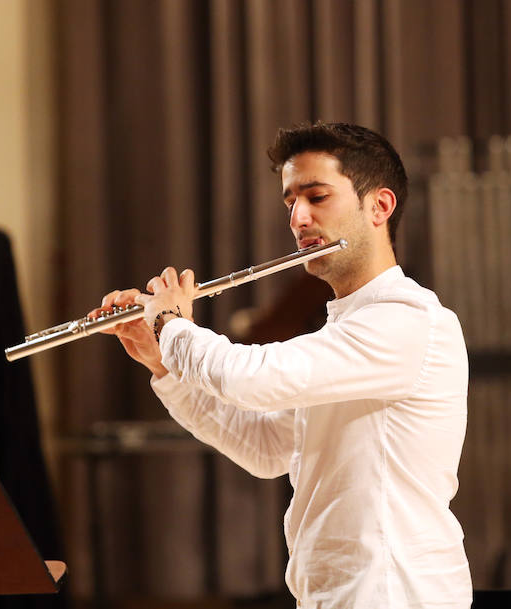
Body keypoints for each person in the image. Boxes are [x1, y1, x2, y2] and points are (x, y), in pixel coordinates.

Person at [92, 122, 472, 608]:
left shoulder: (407, 320)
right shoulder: (344, 330)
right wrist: (161, 360)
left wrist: (170, 322)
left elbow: (247, 378)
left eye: (316, 197)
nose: (298, 219)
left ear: (379, 206)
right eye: (290, 202)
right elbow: (265, 447)